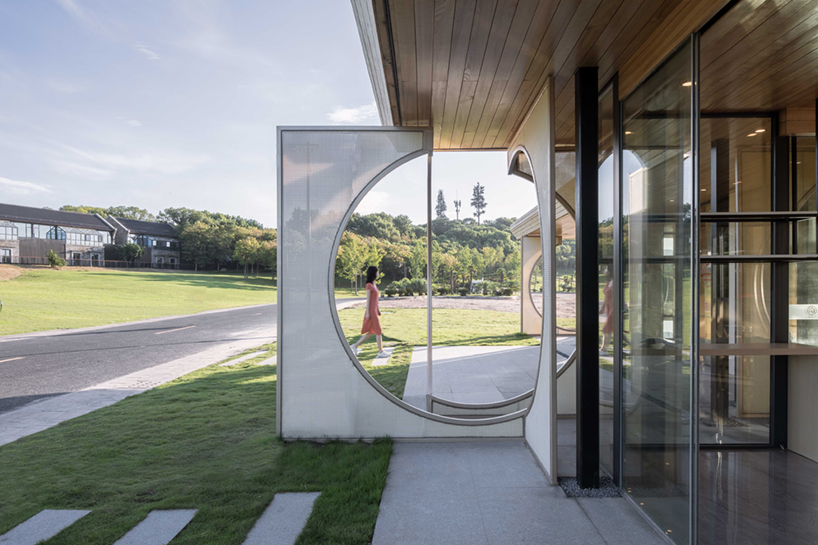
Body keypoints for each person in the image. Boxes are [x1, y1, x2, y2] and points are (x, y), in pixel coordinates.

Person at [351, 265, 386, 357]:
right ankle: (381, 352)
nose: (378, 273)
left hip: (374, 311)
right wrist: (368, 313)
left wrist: (377, 309)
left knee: (372, 332)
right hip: (371, 311)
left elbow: (375, 299)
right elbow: (368, 300)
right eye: (377, 271)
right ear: (373, 273)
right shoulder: (369, 285)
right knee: (378, 331)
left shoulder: (374, 284)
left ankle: (355, 346)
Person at [599, 267, 614, 356]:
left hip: (614, 308)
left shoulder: (617, 282)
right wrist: (602, 308)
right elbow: (606, 297)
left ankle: (604, 349)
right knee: (615, 328)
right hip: (609, 308)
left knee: (607, 329)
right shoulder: (609, 282)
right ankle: (632, 346)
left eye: (606, 269)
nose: (604, 271)